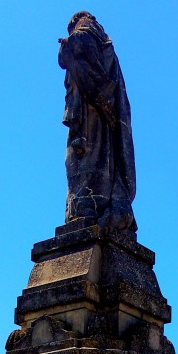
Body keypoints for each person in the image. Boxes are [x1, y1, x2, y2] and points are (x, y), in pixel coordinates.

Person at [58, 12, 137, 232]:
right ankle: (90, 208)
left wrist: (69, 46)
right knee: (96, 161)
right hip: (99, 116)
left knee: (85, 162)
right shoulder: (106, 47)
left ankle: (86, 210)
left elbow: (76, 51)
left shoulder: (82, 35)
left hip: (88, 116)